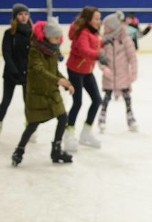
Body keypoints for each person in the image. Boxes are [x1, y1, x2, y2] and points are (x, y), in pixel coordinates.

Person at [11, 17, 74, 166]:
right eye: (55, 37)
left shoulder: (53, 50)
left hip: (51, 92)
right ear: (46, 36)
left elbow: (54, 70)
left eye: (60, 37)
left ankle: (56, 150)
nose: (58, 40)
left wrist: (67, 83)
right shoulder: (35, 51)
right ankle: (19, 150)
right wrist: (58, 81)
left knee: (63, 117)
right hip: (37, 92)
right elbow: (39, 70)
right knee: (33, 124)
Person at [63, 6, 107, 151]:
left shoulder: (93, 32)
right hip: (75, 70)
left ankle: (86, 133)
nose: (99, 21)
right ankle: (68, 133)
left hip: (87, 70)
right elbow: (84, 50)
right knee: (77, 102)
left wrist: (105, 42)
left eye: (99, 18)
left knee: (97, 100)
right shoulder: (82, 32)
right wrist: (98, 55)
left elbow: (95, 45)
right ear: (88, 19)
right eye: (96, 18)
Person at [97, 11, 138, 133]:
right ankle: (102, 117)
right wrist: (104, 69)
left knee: (126, 96)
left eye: (108, 27)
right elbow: (99, 57)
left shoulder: (125, 39)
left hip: (122, 74)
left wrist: (133, 72)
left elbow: (132, 58)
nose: (105, 29)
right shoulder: (103, 41)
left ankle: (130, 117)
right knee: (107, 96)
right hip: (109, 75)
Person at [0, 3, 32, 137]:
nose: (24, 17)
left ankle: (29, 125)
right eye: (20, 14)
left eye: (26, 14)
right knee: (6, 101)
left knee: (28, 102)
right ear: (15, 16)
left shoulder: (33, 32)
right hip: (12, 73)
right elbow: (6, 53)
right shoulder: (9, 33)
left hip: (28, 73)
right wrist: (13, 69)